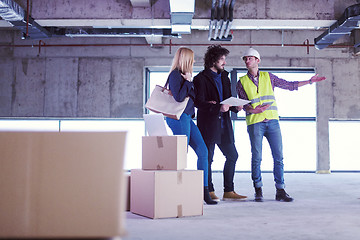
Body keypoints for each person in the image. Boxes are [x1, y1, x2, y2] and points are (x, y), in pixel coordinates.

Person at [236, 48, 326, 202]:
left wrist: (310, 81)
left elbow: (289, 85)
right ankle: (258, 189)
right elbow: (244, 105)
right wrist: (253, 109)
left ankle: (280, 190)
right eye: (245, 59)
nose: (247, 61)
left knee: (278, 157)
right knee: (257, 157)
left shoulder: (268, 77)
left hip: (272, 122)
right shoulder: (241, 82)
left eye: (250, 58)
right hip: (255, 123)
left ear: (258, 60)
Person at [193, 45, 247, 202]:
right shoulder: (200, 79)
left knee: (232, 155)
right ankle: (208, 190)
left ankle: (228, 191)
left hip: (225, 125)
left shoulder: (225, 77)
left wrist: (236, 107)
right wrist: (217, 107)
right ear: (213, 60)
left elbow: (228, 99)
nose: (224, 62)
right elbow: (199, 103)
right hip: (209, 125)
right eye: (222, 59)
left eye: (225, 59)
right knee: (208, 159)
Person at [165, 47, 217, 205]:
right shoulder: (175, 75)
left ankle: (204, 191)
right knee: (182, 154)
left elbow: (191, 99)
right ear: (186, 59)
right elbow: (179, 97)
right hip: (178, 118)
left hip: (187, 117)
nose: (194, 61)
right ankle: (174, 190)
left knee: (203, 151)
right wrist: (188, 82)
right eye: (192, 58)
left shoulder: (186, 75)